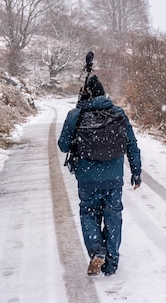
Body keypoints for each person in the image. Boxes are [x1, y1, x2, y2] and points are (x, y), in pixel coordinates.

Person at [58, 75, 142, 276]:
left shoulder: (75, 115)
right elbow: (131, 144)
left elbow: (62, 145)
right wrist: (136, 171)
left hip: (87, 178)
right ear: (103, 93)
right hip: (113, 178)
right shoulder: (118, 113)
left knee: (88, 213)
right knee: (113, 216)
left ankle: (97, 251)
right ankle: (111, 263)